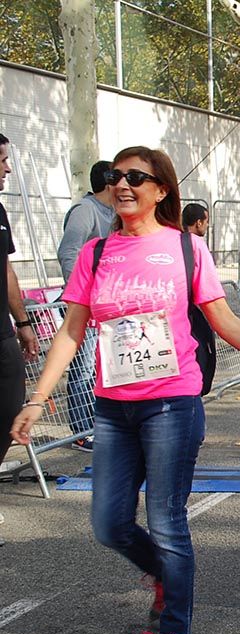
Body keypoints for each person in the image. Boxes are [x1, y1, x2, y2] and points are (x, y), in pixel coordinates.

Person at [10, 145, 240, 634]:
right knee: (109, 525)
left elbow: (222, 319)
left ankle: (174, 633)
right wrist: (38, 399)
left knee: (167, 519)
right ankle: (164, 573)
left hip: (173, 403)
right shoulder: (95, 253)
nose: (125, 184)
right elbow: (70, 331)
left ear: (161, 190)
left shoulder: (185, 249)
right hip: (113, 408)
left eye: (137, 176)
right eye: (117, 176)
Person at [57, 159, 115, 453]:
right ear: (108, 181)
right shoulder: (85, 211)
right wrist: (82, 299)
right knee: (83, 369)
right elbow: (68, 253)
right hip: (86, 307)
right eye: (119, 176)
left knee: (102, 368)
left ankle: (100, 425)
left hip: (108, 307)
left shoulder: (116, 212)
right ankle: (81, 431)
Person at [0, 132, 41, 545]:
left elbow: (8, 272)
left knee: (8, 415)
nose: (7, 168)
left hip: (2, 335)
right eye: (1, 160)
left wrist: (24, 323)